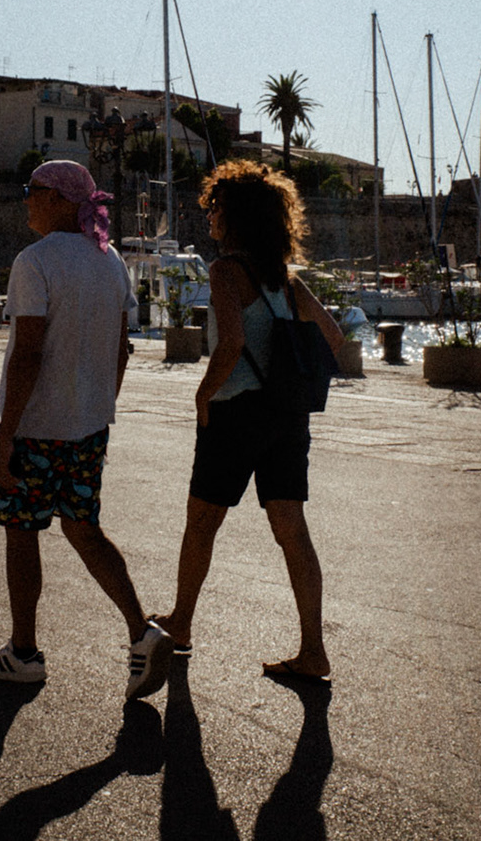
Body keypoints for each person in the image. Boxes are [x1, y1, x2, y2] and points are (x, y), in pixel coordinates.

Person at [0, 160, 175, 700]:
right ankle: (141, 631)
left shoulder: (34, 262)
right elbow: (122, 348)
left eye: (32, 191)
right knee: (83, 528)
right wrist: (103, 405)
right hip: (88, 426)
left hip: (37, 427)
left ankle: (24, 651)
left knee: (22, 531)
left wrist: (5, 432)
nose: (26, 201)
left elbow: (28, 352)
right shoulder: (109, 263)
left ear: (61, 199)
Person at [153, 160, 344, 681]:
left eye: (214, 208)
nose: (209, 217)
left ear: (232, 216)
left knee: (202, 523)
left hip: (237, 414)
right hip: (287, 417)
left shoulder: (226, 272)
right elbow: (335, 337)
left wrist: (203, 394)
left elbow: (231, 342)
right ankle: (313, 650)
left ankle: (182, 623)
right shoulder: (286, 280)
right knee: (292, 531)